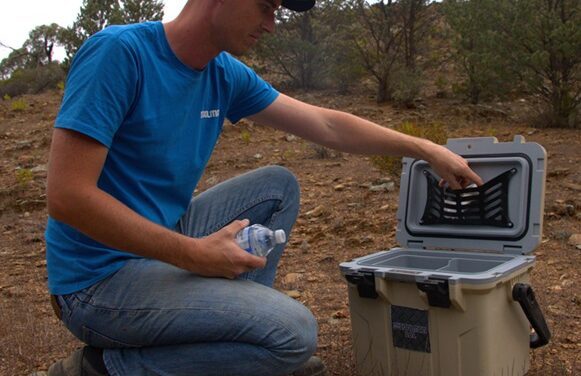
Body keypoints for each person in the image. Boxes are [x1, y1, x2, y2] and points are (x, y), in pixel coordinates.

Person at [43, 0, 483, 375]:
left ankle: (251, 347)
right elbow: (67, 197)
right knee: (294, 335)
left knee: (277, 187)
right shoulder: (120, 54)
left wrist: (422, 147)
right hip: (97, 282)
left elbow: (326, 124)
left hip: (163, 235)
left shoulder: (223, 73)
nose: (272, 25)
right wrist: (193, 254)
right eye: (265, 6)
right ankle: (101, 367)